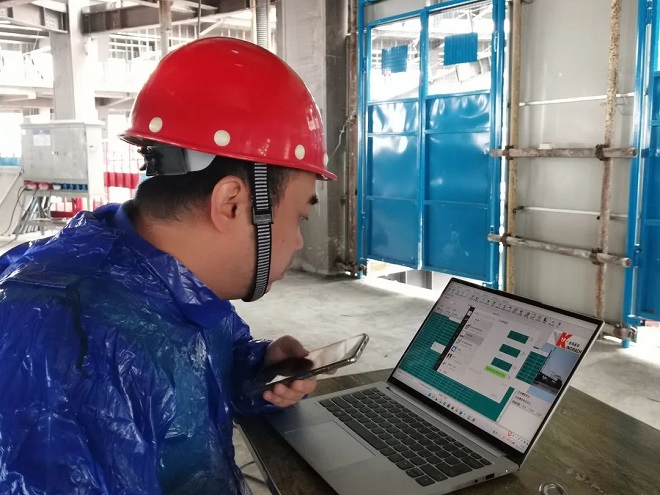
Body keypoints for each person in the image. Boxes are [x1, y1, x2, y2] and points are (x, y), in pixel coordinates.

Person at [0, 37, 337, 495]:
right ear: (233, 203)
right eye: (299, 216)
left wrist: (259, 370)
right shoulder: (65, 339)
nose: (297, 241)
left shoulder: (168, 281)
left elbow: (197, 369)